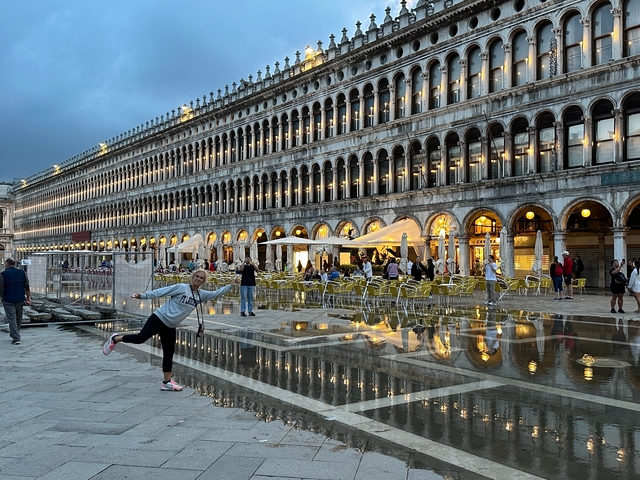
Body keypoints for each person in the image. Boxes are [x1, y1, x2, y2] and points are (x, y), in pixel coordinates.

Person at [102, 269, 238, 391]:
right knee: (140, 338)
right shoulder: (181, 287)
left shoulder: (201, 295)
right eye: (196, 276)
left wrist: (231, 285)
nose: (198, 279)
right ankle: (115, 338)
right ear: (192, 277)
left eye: (201, 278)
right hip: (159, 318)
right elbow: (162, 291)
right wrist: (143, 296)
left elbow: (216, 293)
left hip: (171, 326)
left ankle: (166, 382)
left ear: (204, 281)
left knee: (169, 353)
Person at [0, 258, 31, 345]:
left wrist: (2, 297)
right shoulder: (22, 273)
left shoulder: (3, 274)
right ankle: (15, 334)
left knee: (11, 318)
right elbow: (27, 286)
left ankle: (16, 337)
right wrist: (28, 298)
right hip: (20, 299)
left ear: (7, 264)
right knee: (18, 318)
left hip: (8, 299)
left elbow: (1, 288)